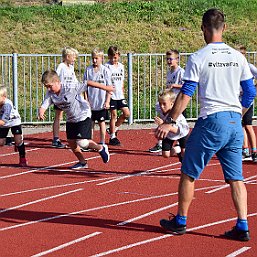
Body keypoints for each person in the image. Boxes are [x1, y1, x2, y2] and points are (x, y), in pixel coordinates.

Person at [156, 8, 256, 241]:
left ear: (203, 28)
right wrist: (237, 113)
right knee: (236, 178)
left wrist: (169, 120)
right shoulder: (238, 57)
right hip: (233, 122)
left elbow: (186, 93)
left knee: (188, 173)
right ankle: (243, 225)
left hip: (211, 120)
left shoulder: (199, 57)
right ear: (225, 28)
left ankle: (180, 221)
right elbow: (250, 91)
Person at [39, 70, 114, 170]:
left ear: (57, 81)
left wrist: (106, 88)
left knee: (82, 142)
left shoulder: (70, 87)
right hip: (71, 118)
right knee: (71, 142)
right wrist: (41, 112)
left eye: (50, 86)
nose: (49, 89)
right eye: (46, 87)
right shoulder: (50, 93)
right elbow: (45, 104)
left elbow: (88, 83)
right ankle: (82, 162)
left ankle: (101, 148)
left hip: (83, 114)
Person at [149, 49, 185, 153]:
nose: (169, 61)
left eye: (171, 59)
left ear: (177, 59)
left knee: (175, 123)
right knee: (164, 120)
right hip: (169, 102)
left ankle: (178, 143)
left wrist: (174, 85)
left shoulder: (180, 72)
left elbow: (186, 86)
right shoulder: (169, 72)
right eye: (167, 59)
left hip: (177, 102)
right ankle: (162, 143)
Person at [84, 48, 112, 145]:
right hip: (91, 102)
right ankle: (90, 142)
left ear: (101, 58)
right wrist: (86, 100)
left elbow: (109, 88)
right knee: (90, 123)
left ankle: (102, 142)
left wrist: (107, 101)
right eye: (93, 58)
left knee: (101, 122)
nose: (94, 60)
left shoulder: (105, 70)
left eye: (96, 58)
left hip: (101, 102)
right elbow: (85, 86)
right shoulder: (88, 70)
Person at [52, 47, 79, 148]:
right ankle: (56, 138)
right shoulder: (61, 66)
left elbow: (74, 80)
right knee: (59, 116)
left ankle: (73, 137)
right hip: (61, 95)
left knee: (72, 116)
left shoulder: (71, 68)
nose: (74, 59)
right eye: (73, 57)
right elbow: (55, 77)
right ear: (67, 57)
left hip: (70, 96)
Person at [105, 46, 130, 146]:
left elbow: (122, 81)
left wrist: (122, 91)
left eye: (115, 57)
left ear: (118, 56)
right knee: (114, 115)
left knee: (126, 113)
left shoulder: (121, 66)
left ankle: (113, 129)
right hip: (111, 95)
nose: (113, 60)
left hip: (120, 94)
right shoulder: (106, 66)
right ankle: (112, 137)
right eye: (111, 58)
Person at [155, 88, 189, 162]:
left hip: (182, 132)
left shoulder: (176, 115)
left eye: (164, 104)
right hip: (169, 134)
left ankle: (186, 169)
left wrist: (162, 125)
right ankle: (177, 149)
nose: (162, 106)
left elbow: (176, 130)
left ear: (172, 104)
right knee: (165, 154)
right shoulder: (159, 109)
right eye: (160, 103)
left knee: (185, 153)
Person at [0, 85, 28, 167]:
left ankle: (22, 157)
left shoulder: (7, 105)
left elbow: (2, 121)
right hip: (3, 124)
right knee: (1, 142)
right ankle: (11, 140)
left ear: (4, 97)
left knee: (19, 141)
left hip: (14, 121)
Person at [239, 46, 257, 162]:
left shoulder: (249, 67)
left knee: (248, 125)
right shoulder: (235, 68)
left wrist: (254, 87)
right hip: (238, 99)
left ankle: (254, 150)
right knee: (240, 126)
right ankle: (245, 149)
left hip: (247, 100)